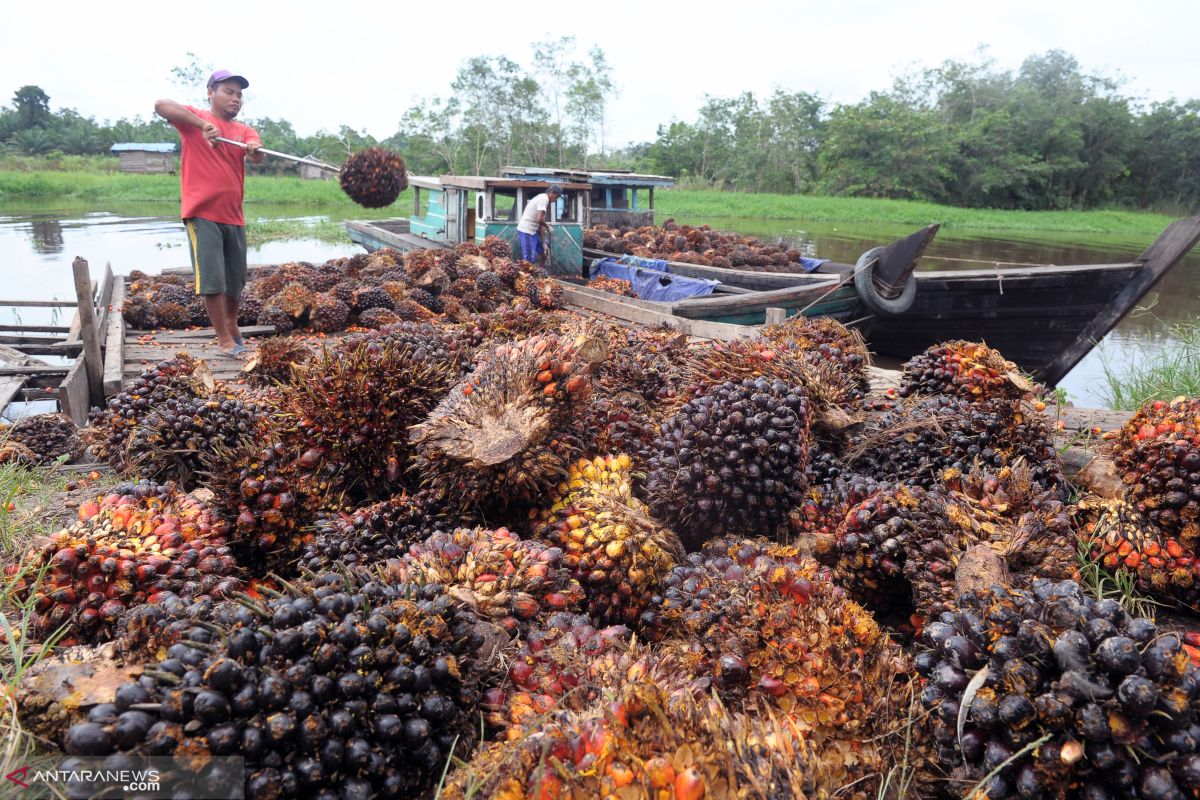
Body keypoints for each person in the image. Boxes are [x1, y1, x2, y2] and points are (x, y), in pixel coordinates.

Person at [155, 70, 264, 356]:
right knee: (213, 278)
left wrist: (253, 149)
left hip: (234, 215)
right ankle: (224, 340)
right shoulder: (194, 120)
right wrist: (202, 125)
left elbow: (258, 155)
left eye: (239, 94)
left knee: (236, 278)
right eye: (229, 91)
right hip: (202, 213)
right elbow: (161, 105)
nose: (236, 98)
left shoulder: (243, 131)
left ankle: (231, 322)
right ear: (211, 93)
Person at [516, 184, 561, 265]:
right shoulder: (544, 199)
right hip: (527, 230)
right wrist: (548, 226)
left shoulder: (543, 199)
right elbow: (539, 220)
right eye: (556, 197)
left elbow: (540, 224)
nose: (555, 200)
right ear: (553, 193)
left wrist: (543, 243)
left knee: (545, 249)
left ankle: (541, 271)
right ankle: (526, 276)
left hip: (533, 231)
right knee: (528, 260)